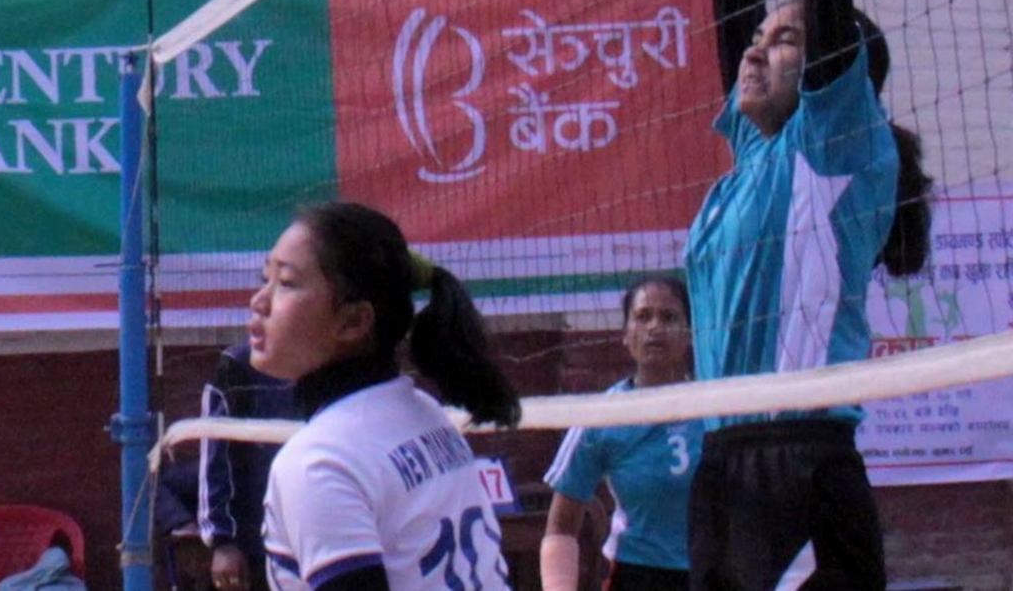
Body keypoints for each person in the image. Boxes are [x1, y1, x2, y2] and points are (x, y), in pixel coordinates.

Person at [690, 0, 933, 591]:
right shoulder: (756, 147)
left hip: (798, 452)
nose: (755, 49)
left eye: (783, 40)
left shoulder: (835, 143)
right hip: (728, 451)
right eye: (761, 38)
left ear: (837, 71)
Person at [252, 202, 520, 591]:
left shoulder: (318, 462)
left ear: (354, 322)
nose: (259, 301)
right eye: (265, 278)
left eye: (287, 283)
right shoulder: (424, 412)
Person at [539, 277, 703, 591]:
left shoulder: (719, 404)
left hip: (710, 571)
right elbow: (561, 525)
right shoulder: (601, 417)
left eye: (669, 317)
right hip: (637, 575)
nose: (655, 327)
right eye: (643, 317)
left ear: (689, 333)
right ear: (626, 335)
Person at [198, 339, 294, 591]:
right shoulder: (238, 366)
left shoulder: (332, 361)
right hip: (255, 547)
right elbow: (215, 451)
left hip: (317, 540)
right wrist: (223, 541)